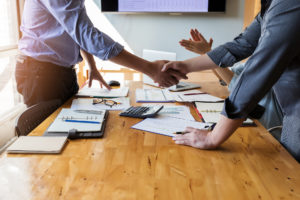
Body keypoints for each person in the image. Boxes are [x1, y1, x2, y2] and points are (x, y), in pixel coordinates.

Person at [163, 0, 300, 161]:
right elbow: (243, 43)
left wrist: (212, 138)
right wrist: (184, 66)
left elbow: (257, 74)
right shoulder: (273, 5)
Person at [16, 0, 186, 107]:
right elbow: (84, 33)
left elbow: (76, 32)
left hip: (60, 72)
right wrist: (149, 68)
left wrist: (92, 66)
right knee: (48, 141)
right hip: (40, 74)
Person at [179, 29, 283, 140]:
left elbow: (238, 85)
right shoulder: (258, 59)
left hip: (268, 131)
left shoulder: (275, 61)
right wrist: (207, 57)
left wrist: (209, 54)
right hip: (254, 120)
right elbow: (227, 76)